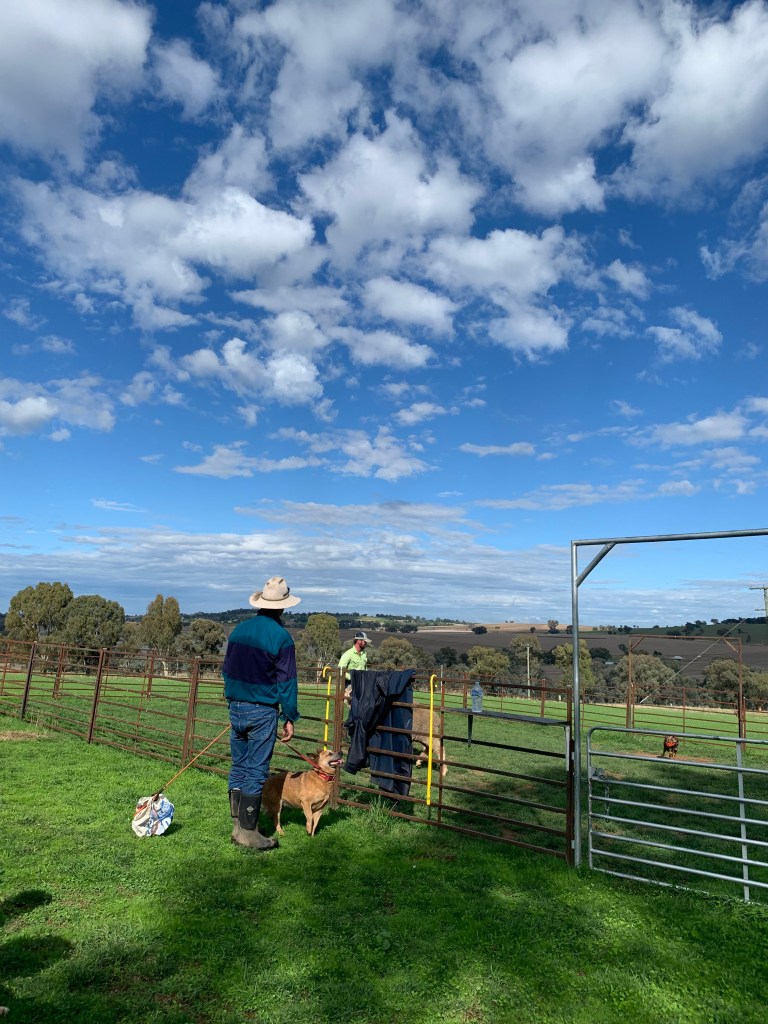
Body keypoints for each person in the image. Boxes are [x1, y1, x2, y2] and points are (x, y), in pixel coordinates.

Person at [222, 576, 301, 850]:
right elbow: (287, 682)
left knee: (239, 766)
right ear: (283, 606)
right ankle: (248, 833)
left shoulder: (239, 630)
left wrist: (233, 700)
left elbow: (227, 670)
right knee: (256, 770)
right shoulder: (281, 637)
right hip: (262, 711)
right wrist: (289, 716)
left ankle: (238, 826)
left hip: (236, 708)